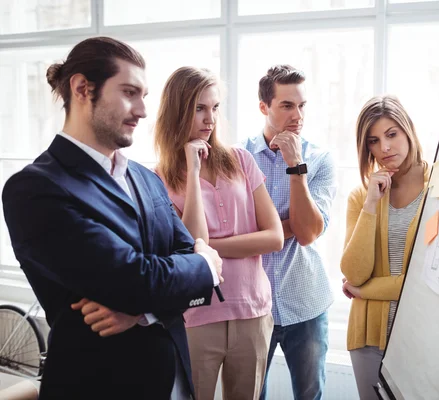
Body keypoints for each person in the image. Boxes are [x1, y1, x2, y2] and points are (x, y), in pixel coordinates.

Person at [1, 37, 223, 400]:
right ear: (82, 88)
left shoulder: (146, 177)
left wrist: (140, 312)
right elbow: (136, 279)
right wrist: (205, 264)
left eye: (143, 95)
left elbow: (172, 266)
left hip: (174, 378)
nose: (142, 110)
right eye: (129, 92)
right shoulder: (34, 188)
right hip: (98, 384)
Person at [154, 66, 284, 400]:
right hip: (197, 317)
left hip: (252, 311)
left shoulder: (241, 160)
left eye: (214, 107)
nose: (210, 118)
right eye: (199, 108)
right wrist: (193, 172)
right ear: (177, 110)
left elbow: (274, 237)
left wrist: (211, 247)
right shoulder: (159, 178)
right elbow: (191, 249)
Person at [241, 64, 337, 400]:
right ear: (264, 107)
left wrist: (296, 168)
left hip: (306, 303)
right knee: (252, 395)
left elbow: (308, 232)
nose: (297, 115)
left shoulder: (320, 160)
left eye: (302, 105)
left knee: (310, 395)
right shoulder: (238, 159)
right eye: (287, 105)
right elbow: (236, 228)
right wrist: (286, 228)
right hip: (253, 305)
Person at [340, 95, 430, 399]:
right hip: (368, 339)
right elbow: (354, 272)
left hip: (424, 336)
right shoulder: (361, 196)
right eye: (374, 141)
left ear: (408, 130)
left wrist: (364, 291)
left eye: (392, 134)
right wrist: (371, 203)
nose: (384, 148)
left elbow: (427, 283)